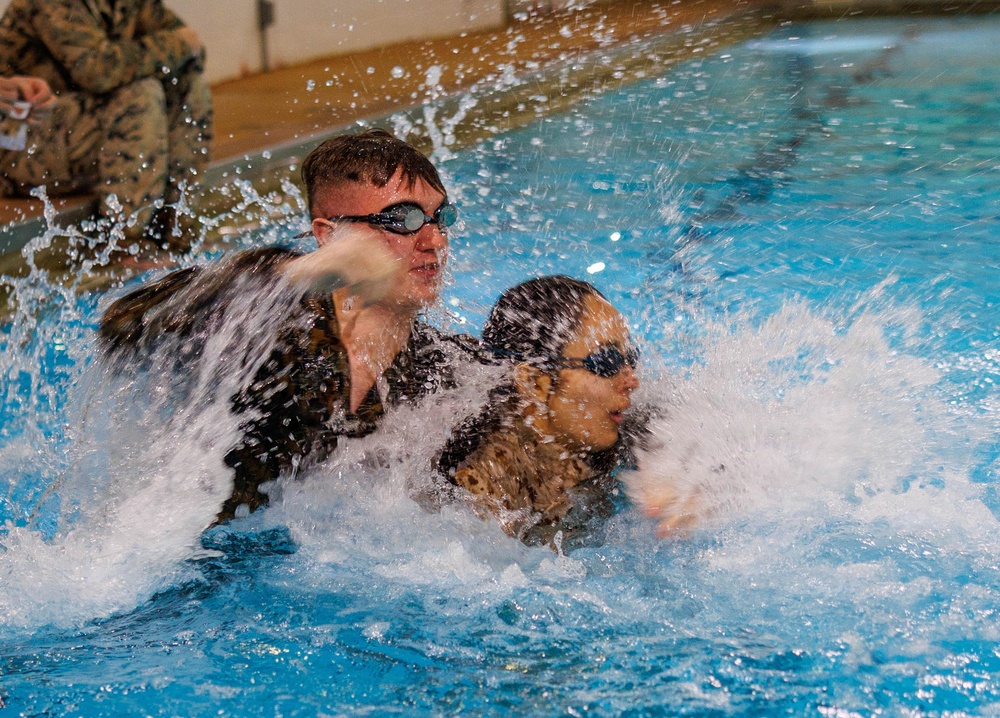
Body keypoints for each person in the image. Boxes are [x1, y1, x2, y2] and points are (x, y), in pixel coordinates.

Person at [99, 129, 479, 521]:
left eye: (440, 217)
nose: (433, 240)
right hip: (182, 557)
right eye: (402, 220)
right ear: (330, 236)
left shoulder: (441, 369)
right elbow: (123, 327)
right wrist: (300, 273)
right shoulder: (270, 322)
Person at [434, 276, 643, 547]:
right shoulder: (472, 499)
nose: (632, 381)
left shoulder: (615, 448)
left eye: (631, 358)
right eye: (607, 361)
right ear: (535, 383)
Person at [0, 0, 213, 250]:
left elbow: (194, 53)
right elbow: (99, 71)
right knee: (140, 96)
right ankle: (122, 244)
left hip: (78, 136)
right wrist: (178, 44)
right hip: (22, 149)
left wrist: (181, 46)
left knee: (189, 87)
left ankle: (176, 233)